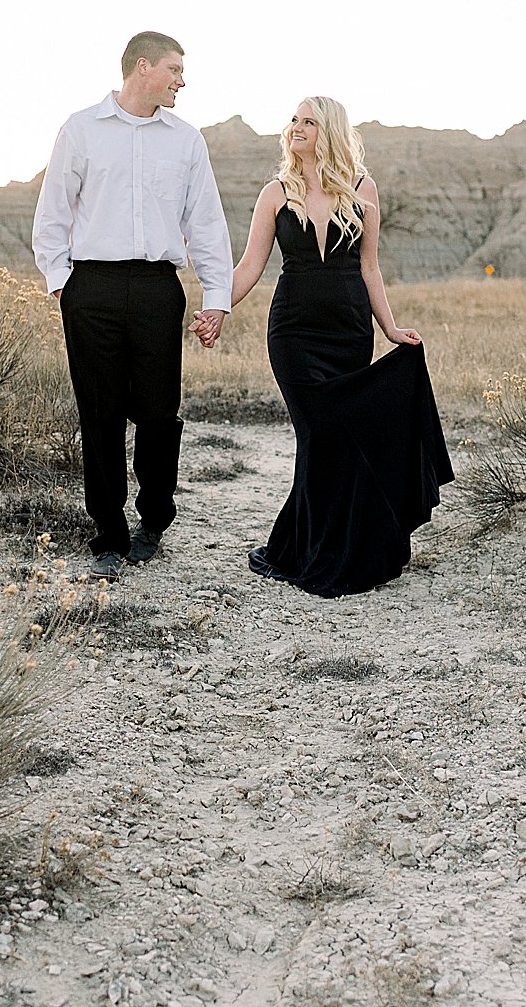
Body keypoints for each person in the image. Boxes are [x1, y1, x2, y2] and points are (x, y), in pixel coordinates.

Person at [206, 96, 453, 597]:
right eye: (294, 120)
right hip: (293, 333)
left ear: (330, 131)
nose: (296, 128)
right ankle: (305, 547)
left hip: (348, 332)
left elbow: (370, 268)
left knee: (335, 440)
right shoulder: (275, 193)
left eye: (308, 122)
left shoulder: (363, 190)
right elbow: (251, 264)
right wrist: (217, 308)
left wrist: (390, 329)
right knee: (318, 433)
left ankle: (334, 544)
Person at [33, 32, 234, 579]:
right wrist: (63, 285)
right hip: (90, 289)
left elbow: (207, 225)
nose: (181, 80)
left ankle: (153, 521)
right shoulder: (81, 130)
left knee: (157, 413)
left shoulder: (187, 141)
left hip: (156, 289)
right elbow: (52, 214)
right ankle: (107, 533)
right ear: (141, 67)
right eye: (173, 68)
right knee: (97, 416)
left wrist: (216, 299)